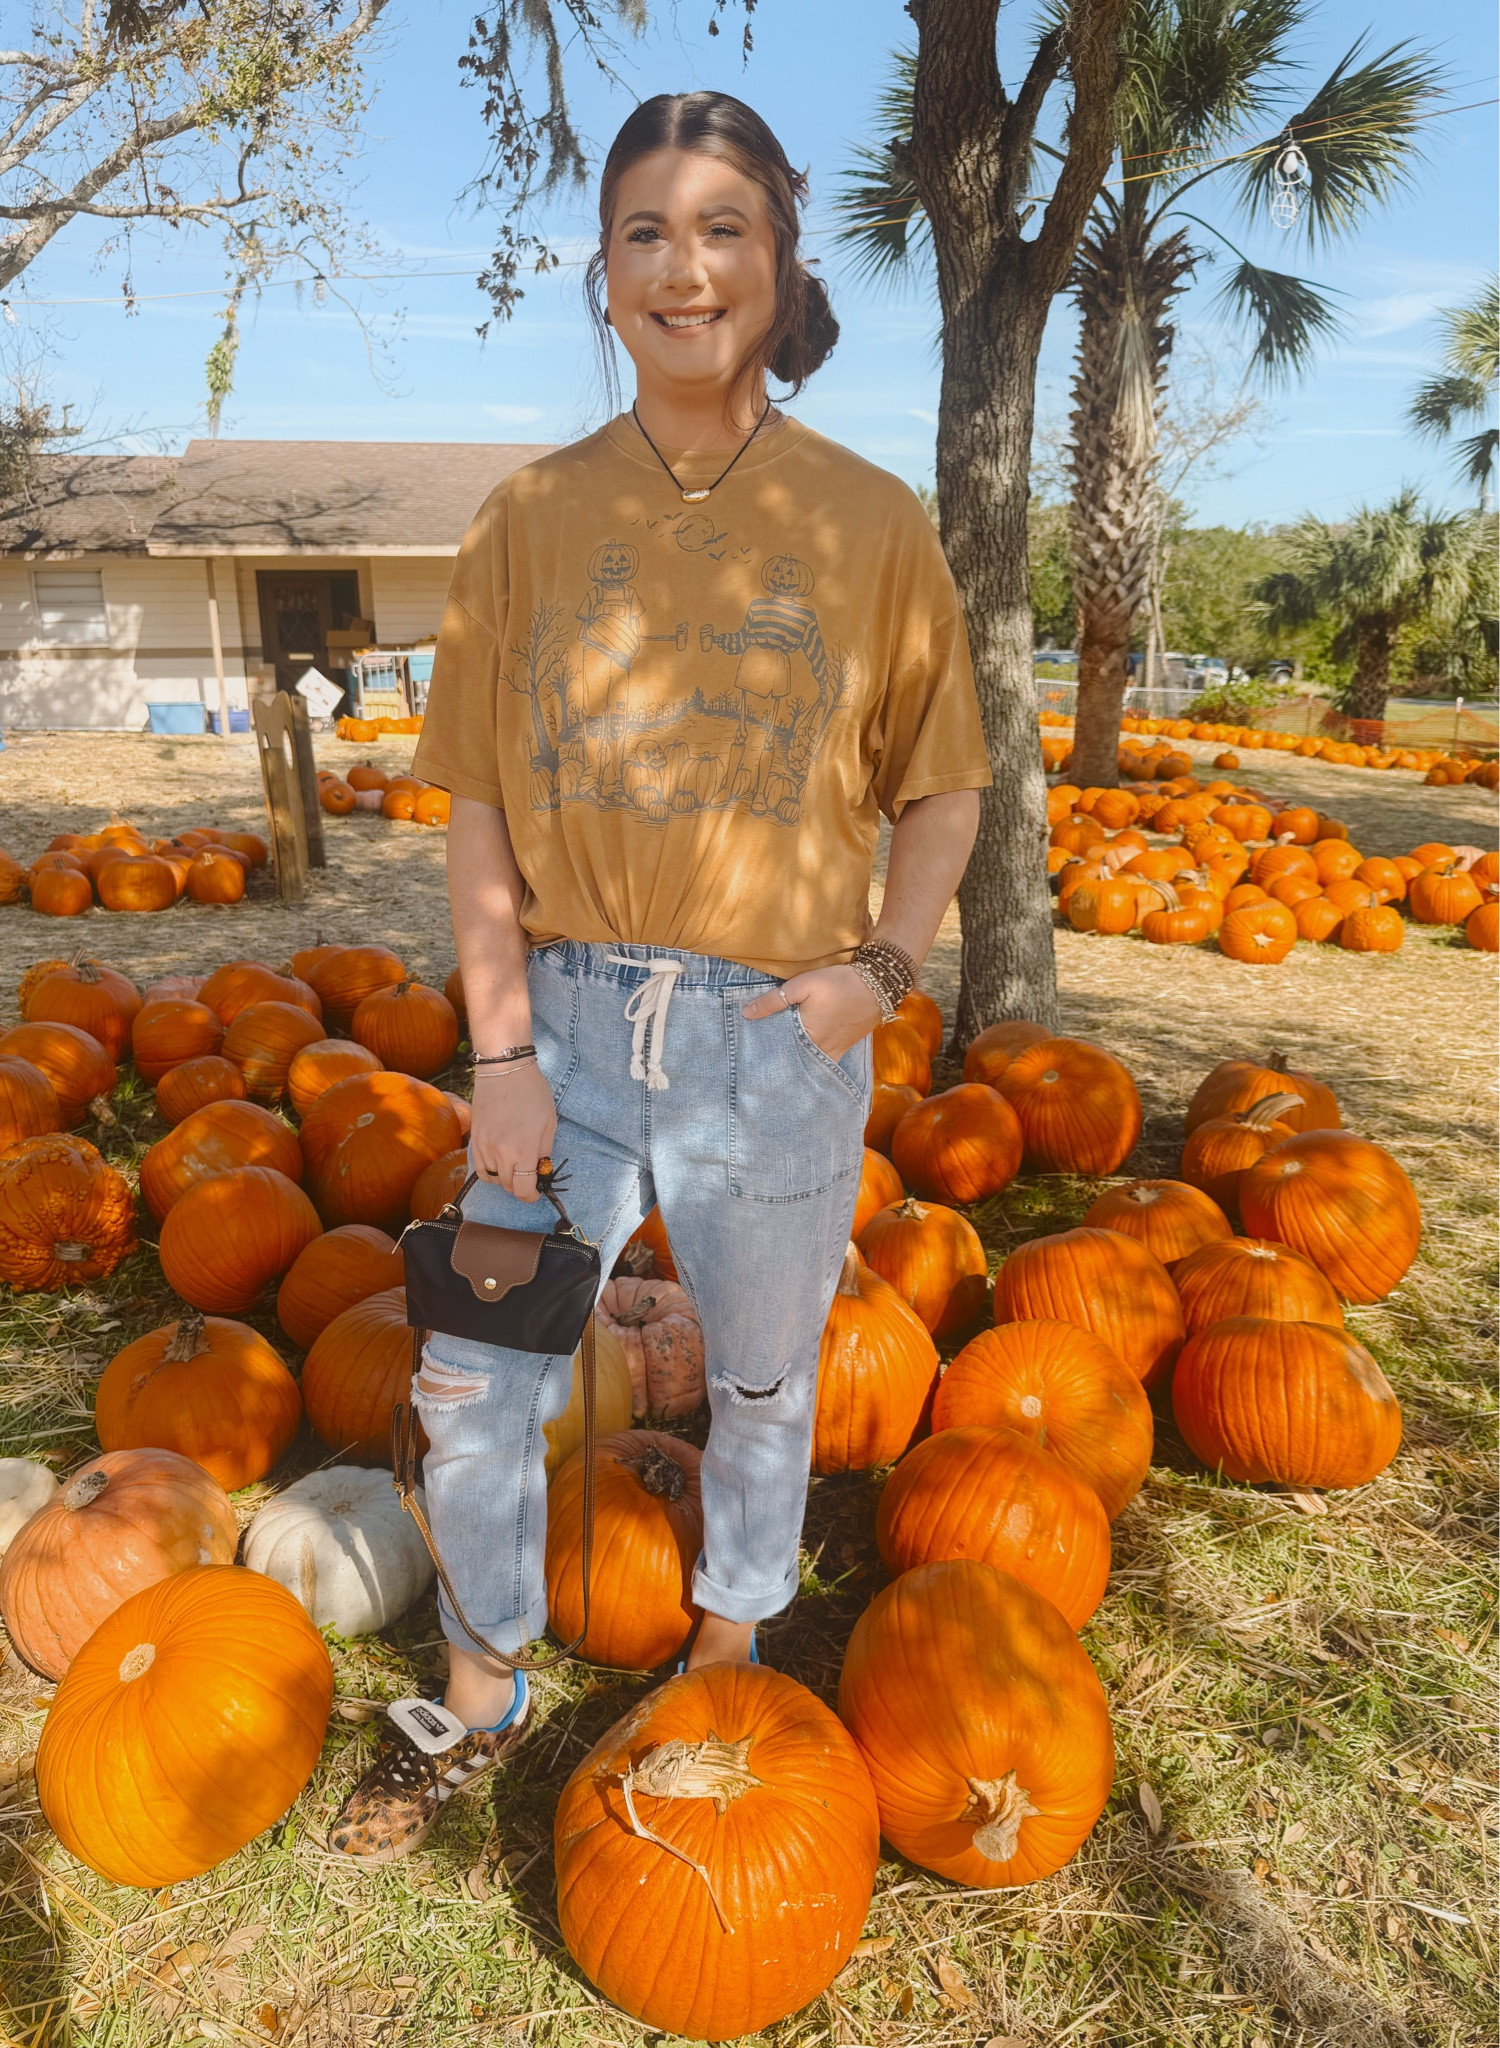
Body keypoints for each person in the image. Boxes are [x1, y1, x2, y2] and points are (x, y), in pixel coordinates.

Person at [330, 88, 989, 1865]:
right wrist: (500, 1056)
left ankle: (726, 1641)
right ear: (604, 274)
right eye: (645, 233)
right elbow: (470, 802)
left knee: (770, 1384)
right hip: (565, 1023)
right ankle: (482, 1684)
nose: (684, 268)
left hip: (780, 1037)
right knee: (474, 1379)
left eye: (723, 230)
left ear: (778, 259)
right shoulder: (529, 522)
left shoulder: (874, 524)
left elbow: (946, 786)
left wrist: (879, 973)